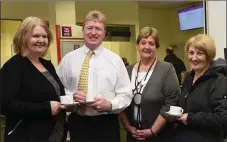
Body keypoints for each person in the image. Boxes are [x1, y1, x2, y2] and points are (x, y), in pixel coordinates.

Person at [57, 10, 133, 142]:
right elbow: (58, 90)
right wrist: (71, 99)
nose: (93, 32)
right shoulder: (68, 59)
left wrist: (110, 105)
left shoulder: (115, 60)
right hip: (78, 123)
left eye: (98, 29)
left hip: (107, 123)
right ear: (83, 30)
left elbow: (126, 94)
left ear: (104, 33)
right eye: (89, 28)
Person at [0, 17, 67, 142]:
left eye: (44, 36)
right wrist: (45, 108)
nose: (41, 40)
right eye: (36, 36)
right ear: (23, 38)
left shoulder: (47, 65)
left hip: (56, 134)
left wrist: (70, 102)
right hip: (27, 136)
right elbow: (6, 105)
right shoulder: (13, 66)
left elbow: (56, 95)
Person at [119, 27, 180, 142]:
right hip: (132, 135)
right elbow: (120, 100)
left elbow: (171, 102)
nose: (147, 47)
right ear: (137, 46)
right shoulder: (127, 70)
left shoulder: (167, 69)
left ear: (156, 47)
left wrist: (153, 131)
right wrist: (128, 127)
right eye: (143, 43)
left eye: (151, 43)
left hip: (159, 136)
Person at [172, 34, 227, 142]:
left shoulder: (219, 81)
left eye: (200, 53)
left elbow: (223, 118)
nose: (194, 58)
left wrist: (190, 118)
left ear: (209, 56)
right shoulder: (189, 78)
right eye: (191, 53)